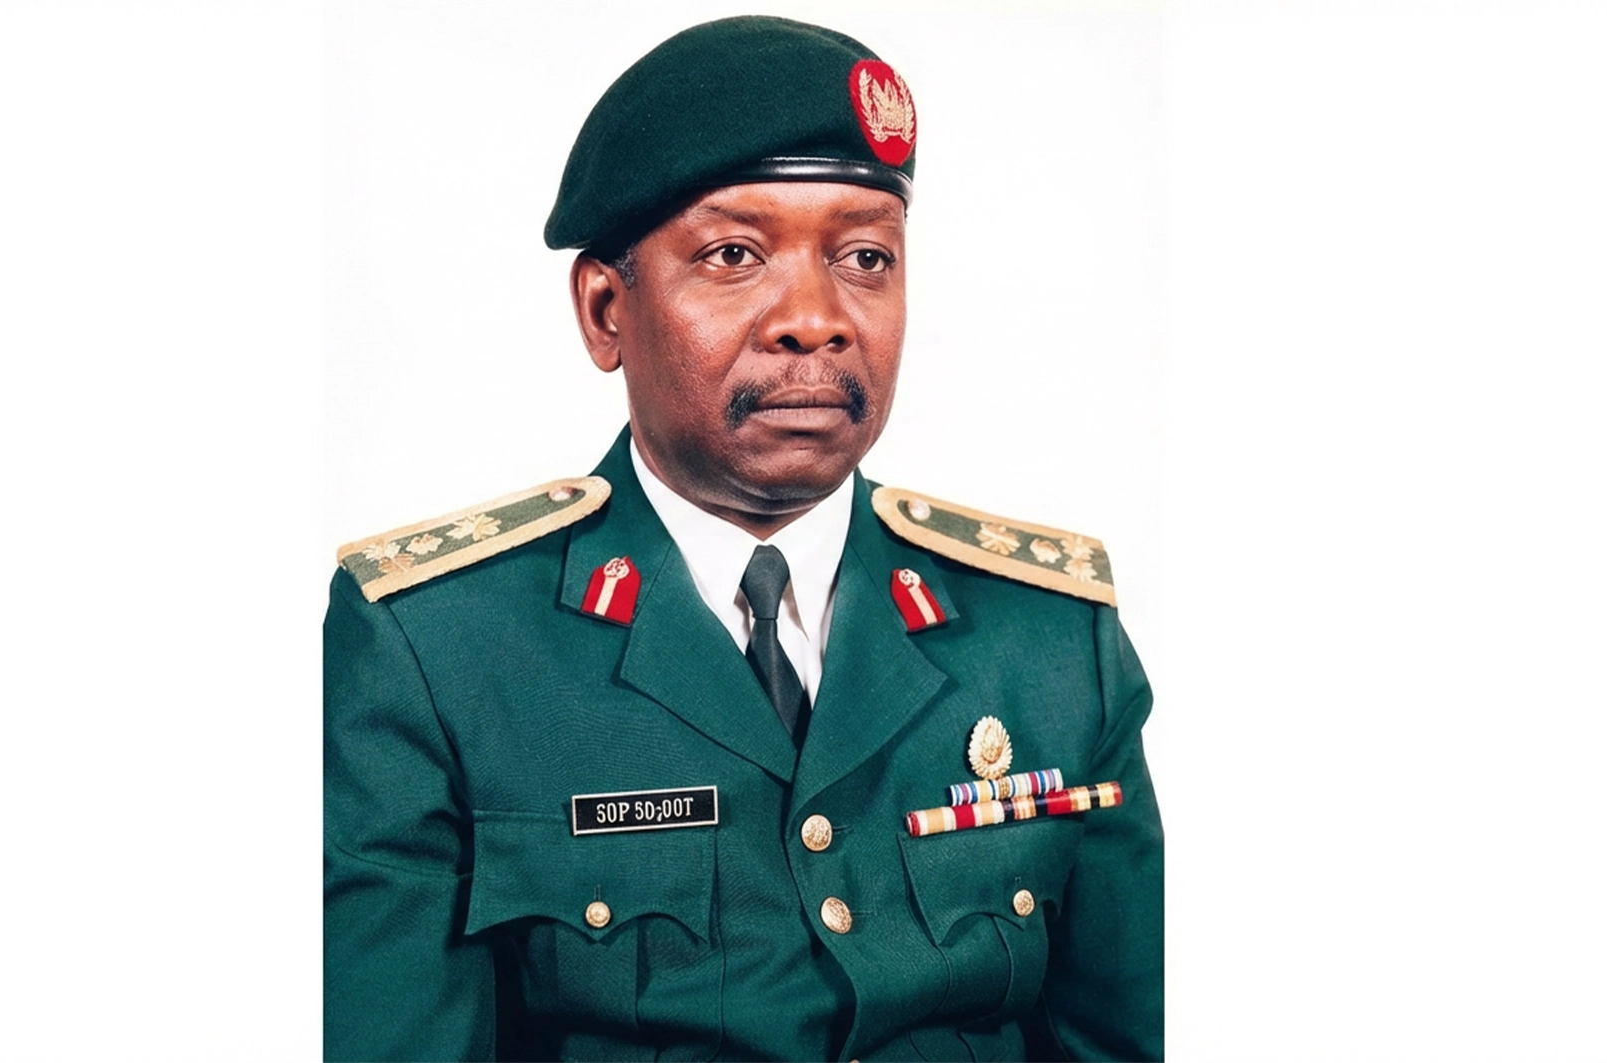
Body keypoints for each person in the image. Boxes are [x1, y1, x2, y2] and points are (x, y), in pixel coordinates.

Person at [324, 15, 1162, 1062]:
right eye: (734, 254)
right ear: (605, 310)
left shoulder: (1050, 640)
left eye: (866, 256)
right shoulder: (435, 650)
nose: (816, 317)